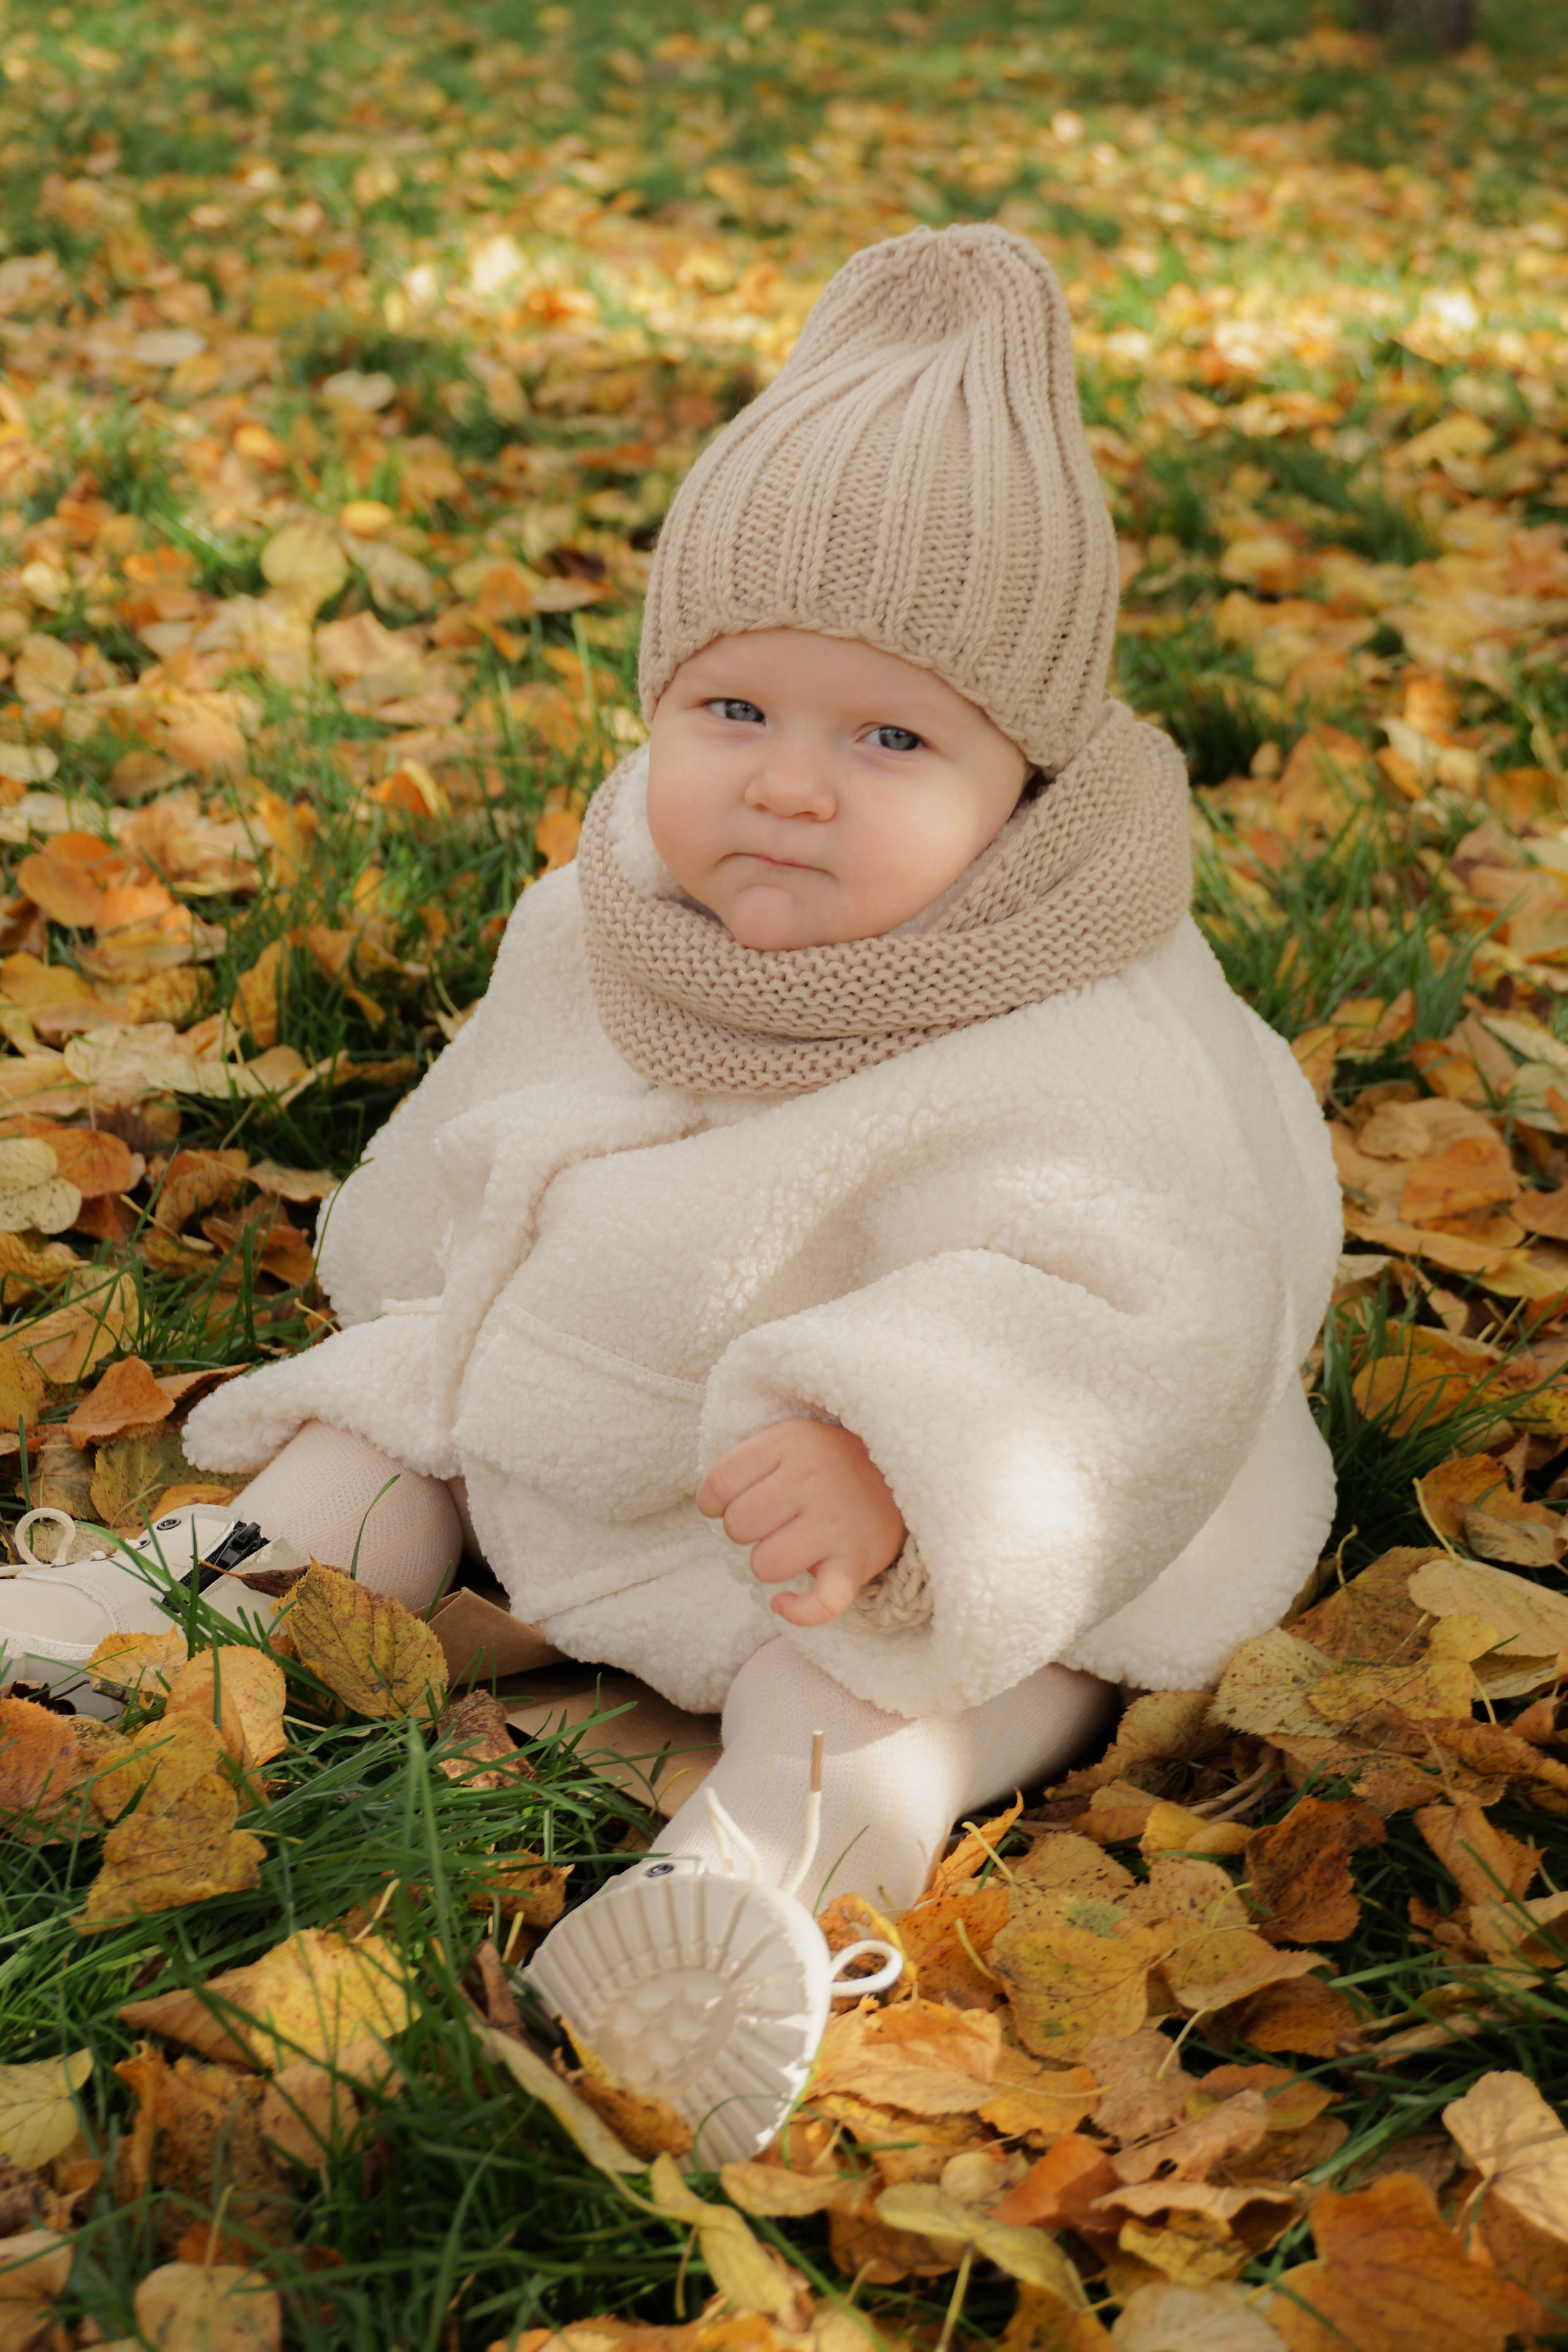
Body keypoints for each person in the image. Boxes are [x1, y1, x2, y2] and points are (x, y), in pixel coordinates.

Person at [0, 225, 1340, 2163]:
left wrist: (912, 1468)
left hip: (931, 1510)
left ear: (1025, 780)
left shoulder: (1083, 1028)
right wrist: (441, 1317)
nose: (790, 785)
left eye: (890, 737)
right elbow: (487, 1126)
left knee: (925, 1680)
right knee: (394, 1427)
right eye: (737, 713)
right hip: (620, 1407)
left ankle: (756, 1893)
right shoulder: (628, 900)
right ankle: (201, 1617)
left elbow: (1143, 1313)